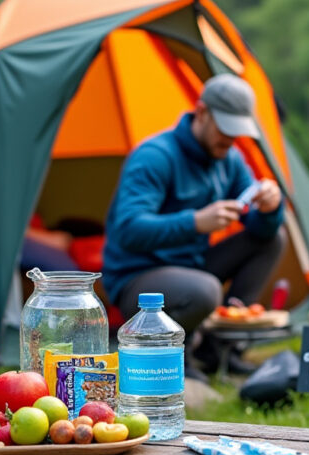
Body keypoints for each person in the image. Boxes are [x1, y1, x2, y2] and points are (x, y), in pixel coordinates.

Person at [102, 74, 286, 379]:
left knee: (272, 239)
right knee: (205, 290)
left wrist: (271, 208)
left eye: (237, 131)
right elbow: (128, 230)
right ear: (202, 112)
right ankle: (175, 357)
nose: (230, 138)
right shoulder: (155, 157)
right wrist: (195, 222)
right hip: (139, 278)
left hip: (194, 267)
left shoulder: (229, 159)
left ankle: (220, 350)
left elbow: (259, 227)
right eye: (225, 128)